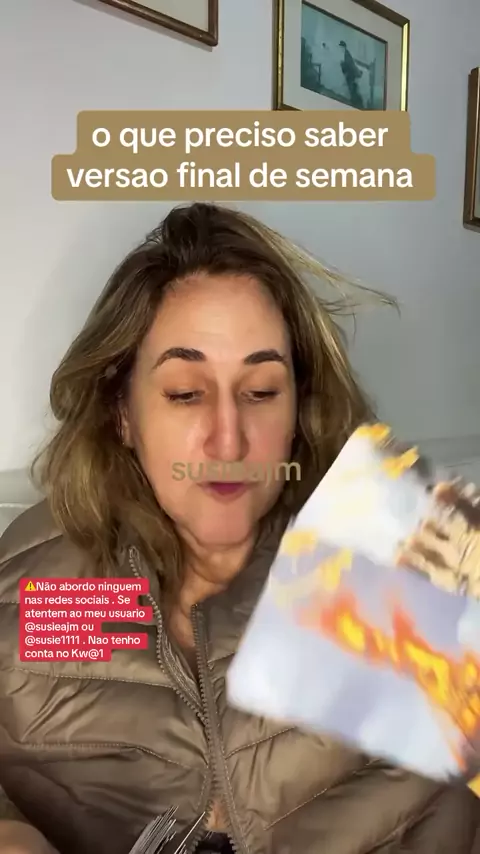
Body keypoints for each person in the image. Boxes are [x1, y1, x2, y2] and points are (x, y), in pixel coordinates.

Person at [0, 202, 478, 854]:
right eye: (185, 393)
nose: (228, 440)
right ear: (122, 413)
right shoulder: (35, 572)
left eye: (261, 392)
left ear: (299, 409)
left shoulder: (408, 548)